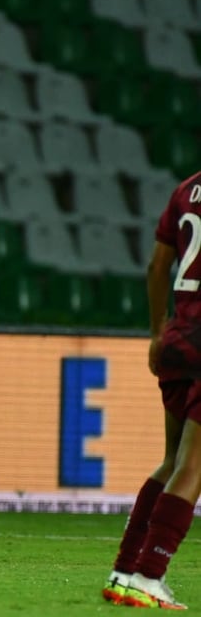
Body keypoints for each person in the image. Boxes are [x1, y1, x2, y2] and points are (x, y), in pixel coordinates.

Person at [101, 173, 201, 609]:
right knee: (193, 466)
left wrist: (158, 331)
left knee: (172, 460)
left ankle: (124, 572)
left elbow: (157, 267)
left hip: (179, 339)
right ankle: (149, 575)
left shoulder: (186, 190)